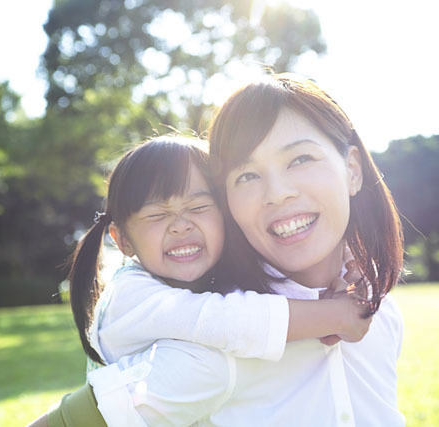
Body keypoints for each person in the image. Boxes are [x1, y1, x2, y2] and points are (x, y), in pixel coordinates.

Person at [34, 73, 405, 426]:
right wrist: (334, 315)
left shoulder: (381, 311)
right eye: (247, 175)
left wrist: (356, 297)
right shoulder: (212, 348)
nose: (278, 192)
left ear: (353, 170)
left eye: (301, 159)